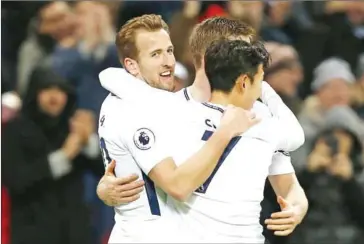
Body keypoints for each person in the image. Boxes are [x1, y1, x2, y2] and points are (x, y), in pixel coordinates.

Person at [98, 16, 308, 241]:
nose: (249, 60)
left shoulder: (259, 113)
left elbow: (288, 182)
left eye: (169, 50)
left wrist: (296, 209)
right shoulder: (164, 112)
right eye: (239, 52)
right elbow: (172, 182)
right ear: (213, 58)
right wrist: (105, 188)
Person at [2, 66, 104, 244]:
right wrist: (63, 156)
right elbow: (15, 180)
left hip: (74, 232)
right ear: (35, 93)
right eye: (47, 89)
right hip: (33, 230)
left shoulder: (71, 128)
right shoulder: (15, 130)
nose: (54, 96)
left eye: (60, 90)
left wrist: (88, 142)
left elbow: (104, 172)